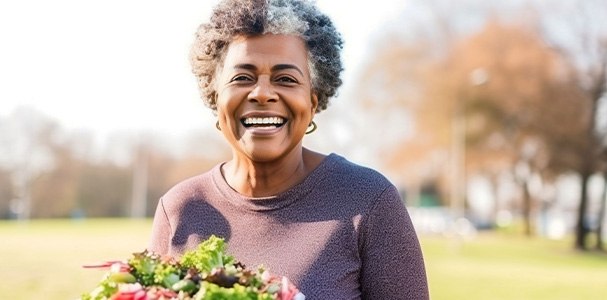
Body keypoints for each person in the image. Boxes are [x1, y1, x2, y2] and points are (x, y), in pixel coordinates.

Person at [148, 0, 429, 298]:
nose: (263, 93)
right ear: (215, 97)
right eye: (242, 77)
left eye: (286, 79)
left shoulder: (368, 200)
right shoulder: (178, 208)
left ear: (312, 102)